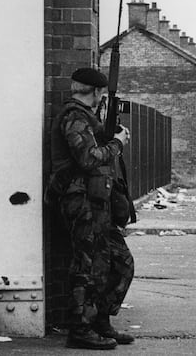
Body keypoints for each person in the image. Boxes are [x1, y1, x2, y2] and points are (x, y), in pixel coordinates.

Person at [47, 68, 134, 350]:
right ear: (96, 92)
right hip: (80, 201)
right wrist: (117, 144)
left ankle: (100, 320)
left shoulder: (88, 118)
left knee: (121, 263)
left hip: (97, 201)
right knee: (87, 266)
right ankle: (80, 328)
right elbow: (88, 159)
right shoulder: (74, 117)